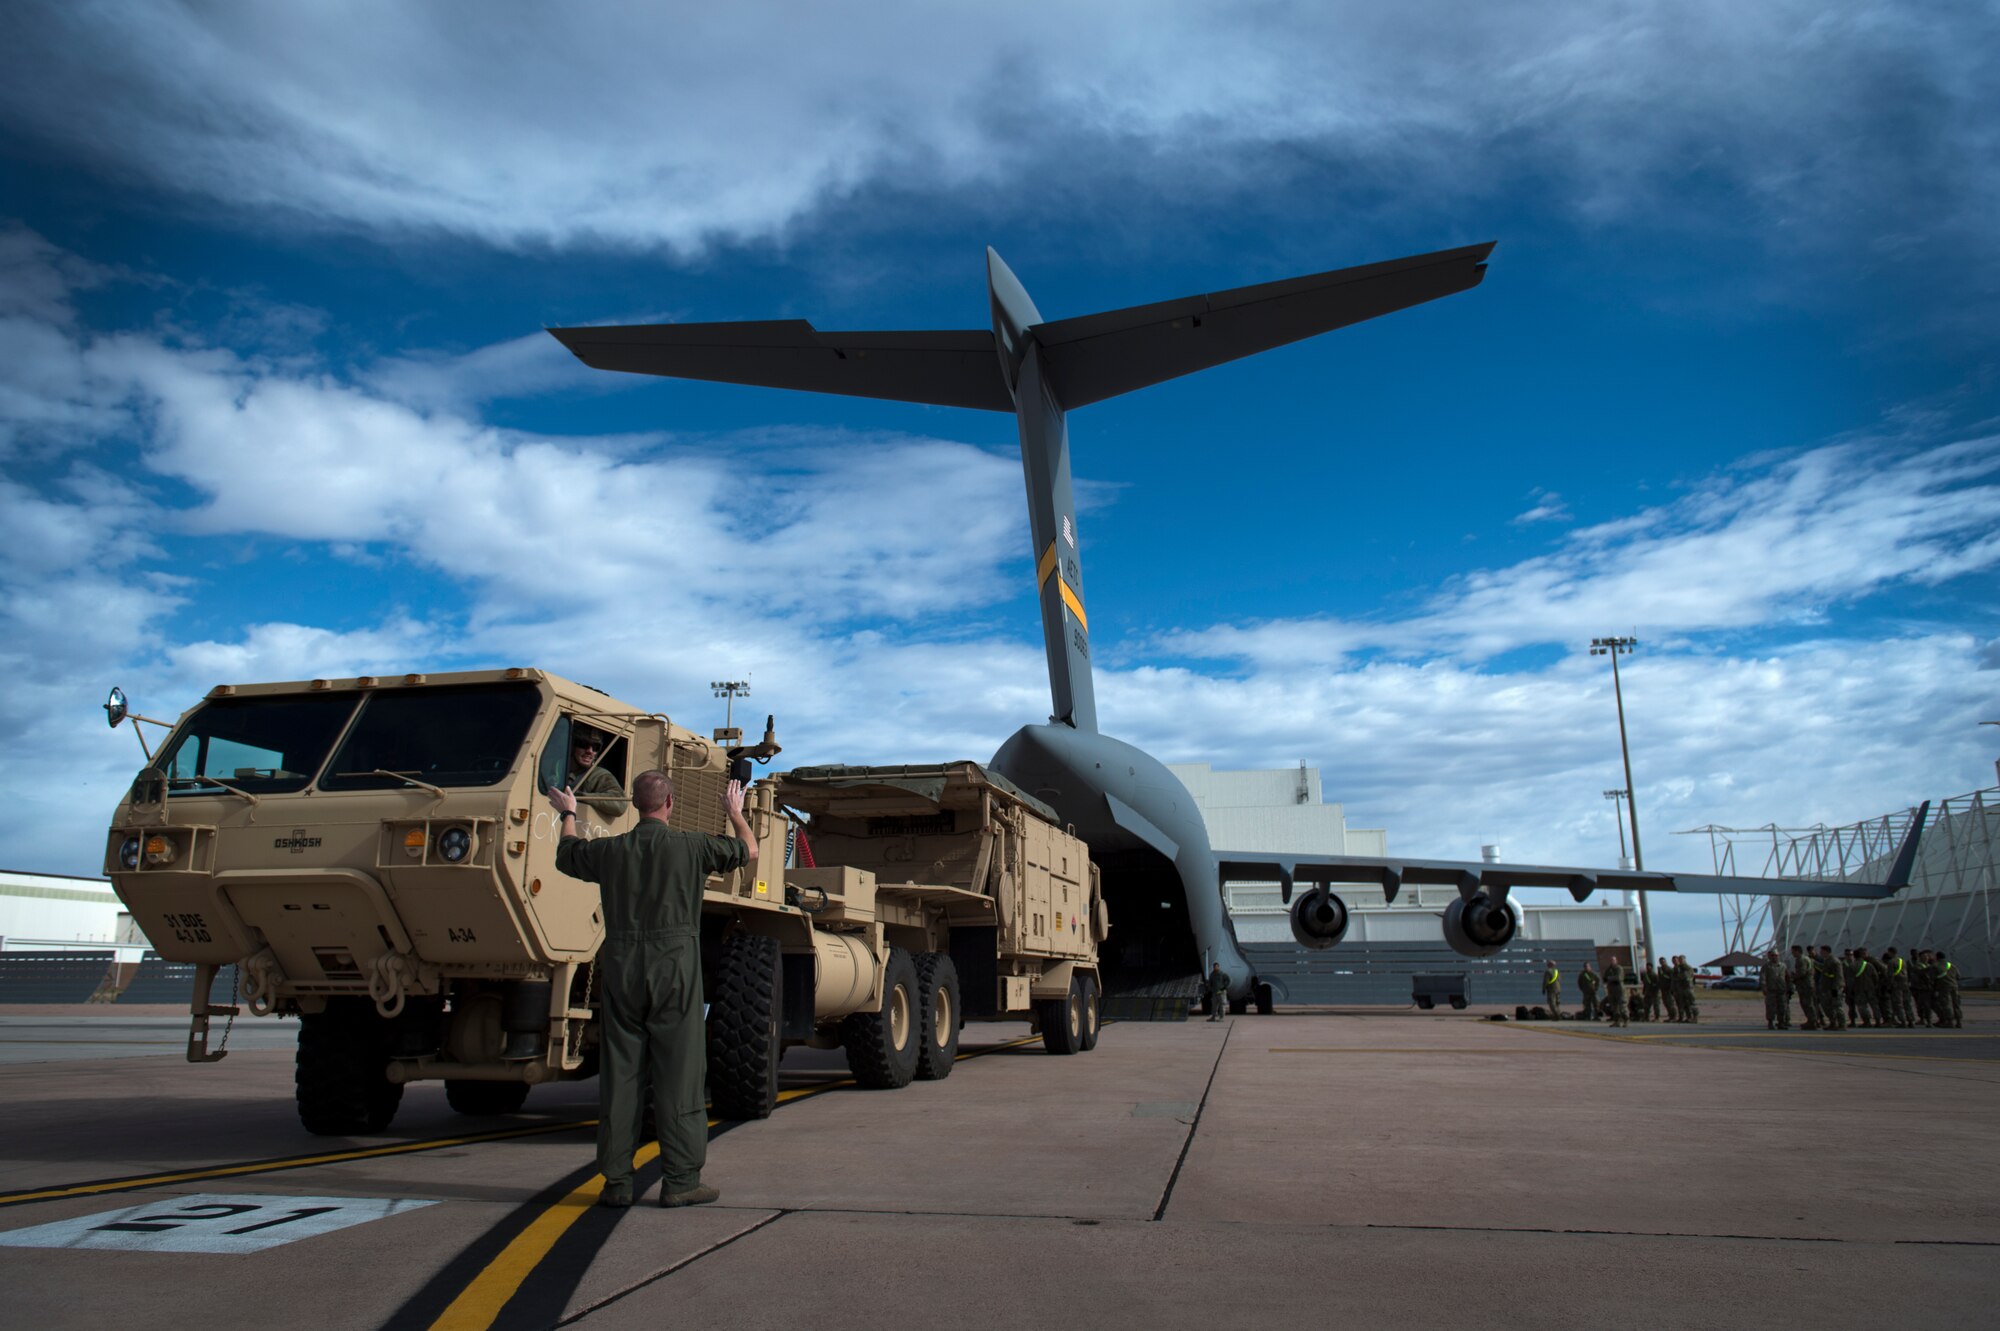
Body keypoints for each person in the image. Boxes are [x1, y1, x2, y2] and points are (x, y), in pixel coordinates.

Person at [554, 770, 756, 1209]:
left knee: (621, 1076)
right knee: (679, 1075)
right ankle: (681, 1182)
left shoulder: (611, 851)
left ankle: (616, 1184)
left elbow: (567, 854)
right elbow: (749, 849)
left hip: (623, 967)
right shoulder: (692, 846)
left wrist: (569, 813)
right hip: (675, 970)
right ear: (669, 804)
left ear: (634, 804)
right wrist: (735, 813)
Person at [565, 724, 632, 823]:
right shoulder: (556, 768)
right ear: (572, 745)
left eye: (595, 747)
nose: (590, 751)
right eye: (583, 744)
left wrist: (579, 797)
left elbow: (620, 804)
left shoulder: (598, 775)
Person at [1815, 945, 1847, 1030]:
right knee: (1827, 1006)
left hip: (1834, 988)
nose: (1820, 953)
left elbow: (1839, 976)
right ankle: (1833, 1023)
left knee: (1837, 1006)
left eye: (1822, 951)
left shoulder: (1834, 961)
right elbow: (1825, 970)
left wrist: (1836, 988)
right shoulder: (1828, 961)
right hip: (1827, 988)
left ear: (1826, 951)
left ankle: (1842, 1024)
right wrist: (1815, 963)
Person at [1882, 947, 1915, 1028]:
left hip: (1896, 985)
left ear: (1890, 952)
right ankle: (1911, 1021)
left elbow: (1890, 976)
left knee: (1898, 1004)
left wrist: (1889, 986)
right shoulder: (1902, 961)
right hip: (1905, 984)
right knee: (1907, 1003)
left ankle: (1903, 1021)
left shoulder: (1891, 962)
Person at [1789, 943, 1819, 1030]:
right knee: (1809, 1003)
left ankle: (1812, 1021)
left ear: (1797, 951)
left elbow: (1802, 972)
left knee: (1807, 1003)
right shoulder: (1805, 958)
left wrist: (1793, 977)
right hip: (1807, 984)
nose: (1792, 953)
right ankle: (1812, 1020)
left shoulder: (1801, 960)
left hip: (1805, 985)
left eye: (1793, 952)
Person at [1933, 951, 1962, 1029]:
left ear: (1937, 957)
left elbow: (1932, 978)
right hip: (1954, 986)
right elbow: (1958, 976)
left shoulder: (1935, 966)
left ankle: (1950, 1022)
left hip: (1944, 987)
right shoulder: (1952, 965)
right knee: (1956, 1004)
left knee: (1946, 1004)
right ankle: (1959, 1022)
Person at [1603, 958, 1628, 1028]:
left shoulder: (1619, 968)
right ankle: (1617, 1021)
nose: (1612, 962)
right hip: (1612, 990)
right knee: (1614, 1007)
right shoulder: (1609, 970)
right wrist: (1608, 978)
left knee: (1622, 1006)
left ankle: (1626, 1020)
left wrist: (1609, 978)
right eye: (1611, 960)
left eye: (1613, 960)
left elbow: (1618, 978)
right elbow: (1605, 977)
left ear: (1616, 961)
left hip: (1619, 990)